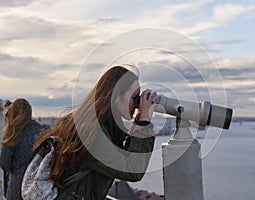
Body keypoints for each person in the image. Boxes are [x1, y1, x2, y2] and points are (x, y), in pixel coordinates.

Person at [34, 65, 160, 199]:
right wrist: (144, 122)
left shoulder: (96, 124)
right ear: (116, 96)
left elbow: (124, 158)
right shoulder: (90, 132)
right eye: (135, 97)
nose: (137, 104)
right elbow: (132, 171)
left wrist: (139, 122)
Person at [0, 98, 49, 200]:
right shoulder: (43, 131)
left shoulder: (12, 134)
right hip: (39, 188)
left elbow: (4, 164)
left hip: (17, 187)